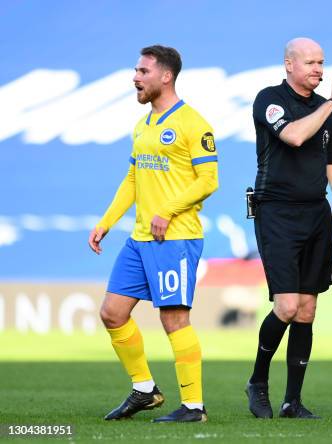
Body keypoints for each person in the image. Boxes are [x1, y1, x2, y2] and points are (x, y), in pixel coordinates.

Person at [88, 45, 219, 423]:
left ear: (166, 76)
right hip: (140, 238)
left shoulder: (194, 123)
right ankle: (144, 389)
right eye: (136, 70)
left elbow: (209, 180)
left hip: (175, 237)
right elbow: (133, 178)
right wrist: (106, 221)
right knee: (112, 313)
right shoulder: (144, 125)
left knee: (174, 319)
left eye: (143, 71)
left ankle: (194, 406)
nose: (136, 77)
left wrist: (167, 210)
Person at [245, 37, 332, 420]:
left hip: (316, 213)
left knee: (308, 310)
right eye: (311, 62)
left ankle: (291, 401)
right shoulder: (270, 99)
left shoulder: (325, 111)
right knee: (287, 305)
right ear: (288, 64)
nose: (318, 69)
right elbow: (294, 136)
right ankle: (257, 382)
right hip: (276, 212)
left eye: (321, 62)